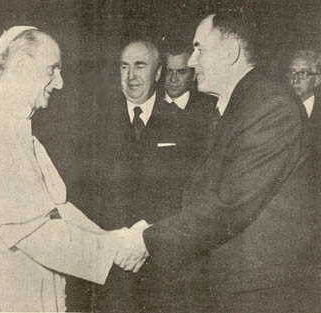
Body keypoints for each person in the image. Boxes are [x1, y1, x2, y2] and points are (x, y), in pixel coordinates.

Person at [115, 12, 321, 313]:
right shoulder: (239, 103)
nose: (192, 61)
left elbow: (229, 204)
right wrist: (154, 226)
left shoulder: (269, 106)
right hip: (234, 285)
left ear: (231, 52)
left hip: (262, 293)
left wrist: (146, 239)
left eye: (200, 49)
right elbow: (206, 191)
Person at [0, 26, 119, 312]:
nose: (60, 83)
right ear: (21, 66)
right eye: (52, 70)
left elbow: (57, 207)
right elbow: (35, 235)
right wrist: (116, 251)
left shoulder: (16, 127)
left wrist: (112, 238)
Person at [91, 40, 190, 312]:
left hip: (159, 262)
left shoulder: (181, 123)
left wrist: (147, 231)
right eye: (124, 66)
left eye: (140, 66)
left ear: (157, 73)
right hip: (108, 265)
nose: (130, 76)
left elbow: (185, 190)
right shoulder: (95, 122)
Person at [163, 43, 218, 168]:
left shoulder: (211, 108)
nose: (173, 79)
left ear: (193, 75)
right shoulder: (148, 106)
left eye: (181, 72)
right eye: (169, 71)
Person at [287, 49, 321, 181]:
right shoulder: (276, 108)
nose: (295, 79)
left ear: (317, 79)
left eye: (303, 73)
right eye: (292, 72)